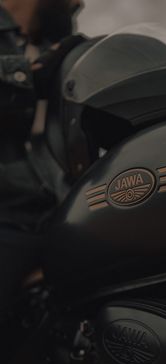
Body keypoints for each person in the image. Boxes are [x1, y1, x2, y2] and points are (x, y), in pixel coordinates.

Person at [0, 0, 84, 311]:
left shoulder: (61, 48)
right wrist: (25, 75)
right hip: (7, 221)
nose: (78, 3)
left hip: (61, 219)